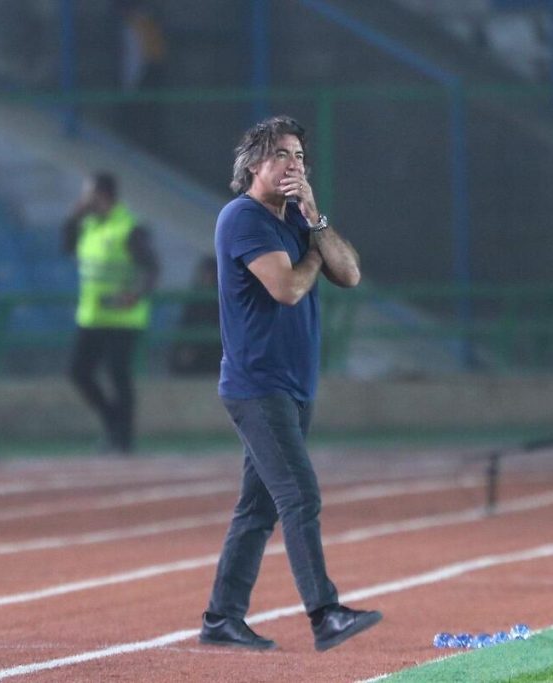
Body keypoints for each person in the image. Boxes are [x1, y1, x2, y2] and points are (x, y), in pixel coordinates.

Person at [198, 115, 382, 652]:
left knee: (257, 509)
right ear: (254, 162)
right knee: (300, 495)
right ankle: (325, 613)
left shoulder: (301, 221)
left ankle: (221, 618)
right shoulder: (243, 217)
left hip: (294, 386)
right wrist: (312, 253)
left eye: (299, 156)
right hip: (258, 386)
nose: (293, 165)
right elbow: (287, 288)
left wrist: (316, 220)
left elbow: (350, 273)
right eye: (281, 154)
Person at [62, 171, 158, 454]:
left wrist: (135, 294)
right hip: (92, 316)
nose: (84, 199)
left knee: (118, 375)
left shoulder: (128, 227)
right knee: (78, 372)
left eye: (88, 193)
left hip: (123, 317)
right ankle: (113, 423)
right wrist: (73, 217)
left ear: (102, 195)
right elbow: (67, 246)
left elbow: (151, 268)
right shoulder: (89, 226)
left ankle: (123, 439)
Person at [169, 255, 221, 375]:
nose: (206, 277)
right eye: (204, 273)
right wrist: (186, 347)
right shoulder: (194, 298)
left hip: (216, 349)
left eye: (210, 274)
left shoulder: (223, 298)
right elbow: (185, 324)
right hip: (195, 347)